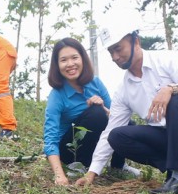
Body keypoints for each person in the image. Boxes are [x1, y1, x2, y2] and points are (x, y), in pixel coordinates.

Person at [74, 12, 178, 194]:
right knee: (117, 136)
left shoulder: (167, 59)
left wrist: (171, 89)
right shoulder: (124, 89)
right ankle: (177, 170)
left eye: (119, 48)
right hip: (168, 138)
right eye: (111, 52)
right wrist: (91, 173)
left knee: (174, 102)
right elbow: (110, 130)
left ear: (136, 42)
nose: (115, 57)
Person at [43, 37, 135, 185]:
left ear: (82, 59)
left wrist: (103, 107)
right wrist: (59, 175)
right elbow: (50, 139)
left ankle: (118, 166)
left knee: (128, 124)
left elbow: (116, 116)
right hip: (70, 150)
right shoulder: (57, 95)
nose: (70, 64)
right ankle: (83, 166)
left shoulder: (95, 82)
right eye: (64, 60)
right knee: (96, 115)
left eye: (74, 58)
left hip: (96, 142)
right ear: (57, 65)